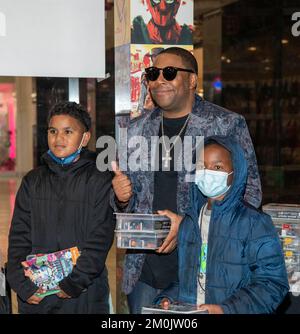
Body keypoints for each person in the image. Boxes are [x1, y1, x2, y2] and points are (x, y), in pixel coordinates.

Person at [111, 47, 262, 314]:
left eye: (169, 73)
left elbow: (250, 195)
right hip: (145, 273)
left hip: (203, 271)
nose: (159, 80)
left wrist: (191, 227)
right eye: (152, 73)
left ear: (192, 80)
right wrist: (121, 197)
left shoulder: (225, 124)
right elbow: (129, 201)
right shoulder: (136, 129)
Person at [155, 136, 289, 314]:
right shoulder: (190, 222)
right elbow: (188, 279)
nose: (208, 172)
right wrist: (169, 298)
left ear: (235, 173)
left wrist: (227, 309)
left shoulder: (254, 223)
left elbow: (272, 283)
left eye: (217, 167)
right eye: (202, 167)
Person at [7, 102, 115, 314]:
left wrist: (74, 283)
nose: (58, 139)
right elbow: (19, 236)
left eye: (68, 131)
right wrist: (22, 284)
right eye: (53, 131)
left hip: (83, 295)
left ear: (84, 138)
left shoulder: (99, 180)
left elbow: (100, 239)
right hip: (37, 295)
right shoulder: (33, 181)